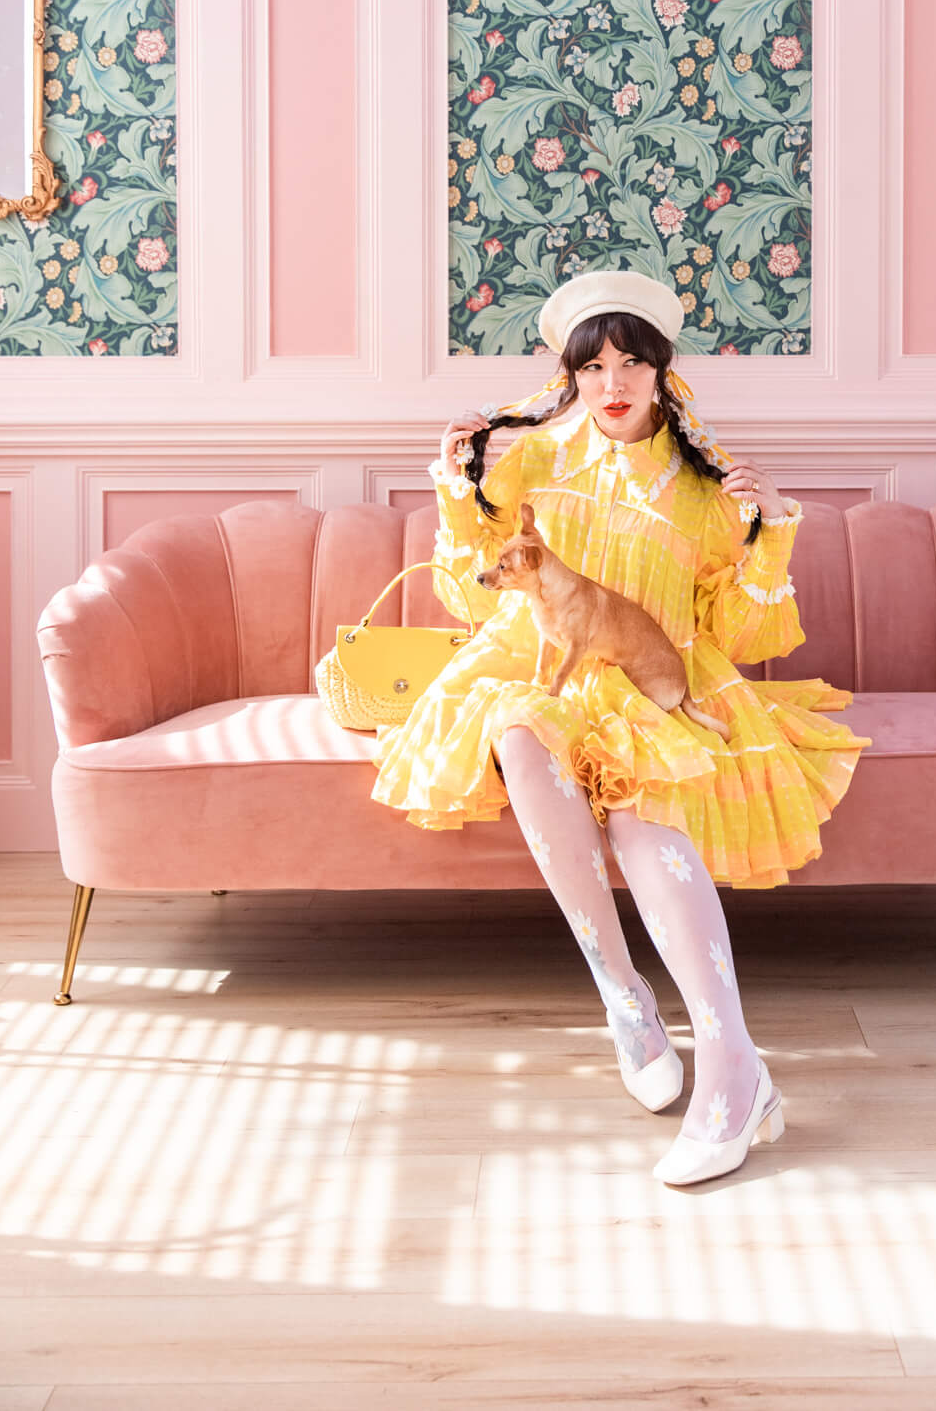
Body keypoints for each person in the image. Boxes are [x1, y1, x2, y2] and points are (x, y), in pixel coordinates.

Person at [371, 270, 868, 1184]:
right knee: (520, 728)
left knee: (644, 807)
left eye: (632, 363)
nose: (612, 385)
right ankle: (624, 994)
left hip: (655, 673)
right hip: (536, 663)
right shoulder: (530, 458)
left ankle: (733, 1065)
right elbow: (461, 592)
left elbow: (745, 636)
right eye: (593, 366)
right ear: (570, 375)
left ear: (662, 372)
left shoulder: (707, 488)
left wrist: (766, 535)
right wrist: (455, 490)